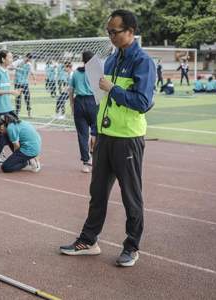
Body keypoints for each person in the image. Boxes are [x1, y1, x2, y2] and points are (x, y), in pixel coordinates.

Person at [60, 9, 155, 267]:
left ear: (130, 32)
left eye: (115, 31)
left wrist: (113, 88)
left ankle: (132, 246)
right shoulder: (111, 61)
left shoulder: (143, 62)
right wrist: (96, 131)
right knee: (97, 193)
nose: (110, 36)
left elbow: (143, 102)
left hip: (128, 138)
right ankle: (88, 240)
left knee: (130, 196)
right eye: (108, 32)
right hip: (105, 136)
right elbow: (102, 101)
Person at [0, 50, 22, 166]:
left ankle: (10, 154)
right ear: (3, 59)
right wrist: (10, 91)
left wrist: (15, 92)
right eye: (10, 57)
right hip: (0, 108)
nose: (12, 60)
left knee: (15, 126)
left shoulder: (6, 71)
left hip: (7, 107)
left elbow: (6, 91)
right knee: (3, 132)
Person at [69, 50, 98, 173]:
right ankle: (95, 157)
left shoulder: (75, 73)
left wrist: (72, 106)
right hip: (93, 102)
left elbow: (71, 91)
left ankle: (86, 162)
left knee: (82, 134)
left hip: (79, 103)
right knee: (96, 132)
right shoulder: (96, 73)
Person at [14, 53, 36, 117]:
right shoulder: (18, 62)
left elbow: (32, 72)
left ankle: (29, 112)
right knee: (18, 98)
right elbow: (10, 67)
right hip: (17, 83)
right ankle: (17, 113)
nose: (30, 60)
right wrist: (17, 68)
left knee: (27, 98)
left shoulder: (29, 65)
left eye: (31, 59)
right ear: (26, 57)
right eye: (29, 58)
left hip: (25, 84)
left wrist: (34, 80)